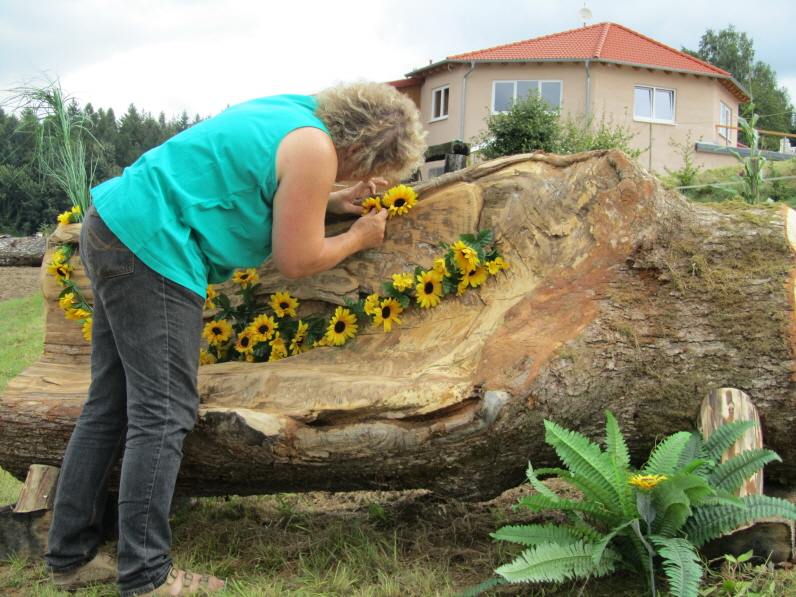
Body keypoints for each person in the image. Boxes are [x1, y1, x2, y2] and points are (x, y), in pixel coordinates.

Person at [43, 81, 426, 596]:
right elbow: (297, 259)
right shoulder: (316, 149)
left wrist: (333, 200)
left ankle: (68, 557)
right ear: (358, 149)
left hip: (112, 224)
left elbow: (257, 181)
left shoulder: (296, 111)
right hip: (153, 249)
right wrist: (357, 237)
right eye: (363, 170)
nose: (356, 178)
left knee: (109, 403)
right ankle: (146, 577)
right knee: (164, 412)